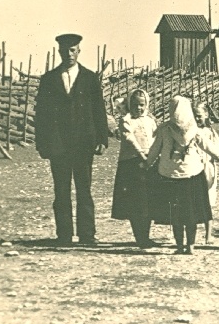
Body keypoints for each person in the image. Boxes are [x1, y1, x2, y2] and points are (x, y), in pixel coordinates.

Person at [35, 34, 109, 246]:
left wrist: (102, 138)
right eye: (65, 50)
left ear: (78, 51)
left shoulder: (90, 78)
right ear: (58, 51)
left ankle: (87, 235)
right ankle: (64, 235)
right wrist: (42, 143)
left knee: (84, 189)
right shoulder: (48, 79)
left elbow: (99, 110)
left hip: (84, 144)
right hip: (58, 145)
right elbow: (41, 114)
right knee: (61, 190)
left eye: (73, 50)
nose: (69, 54)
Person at [145, 96, 219, 255]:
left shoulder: (165, 129)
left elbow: (155, 150)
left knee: (177, 215)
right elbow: (208, 146)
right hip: (192, 175)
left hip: (170, 176)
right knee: (190, 214)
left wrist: (146, 163)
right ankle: (190, 246)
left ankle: (180, 247)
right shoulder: (194, 130)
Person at [111, 89, 158, 249]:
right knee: (136, 202)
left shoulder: (149, 120)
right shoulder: (126, 120)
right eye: (135, 105)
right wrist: (142, 155)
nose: (139, 108)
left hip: (150, 162)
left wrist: (154, 154)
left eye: (142, 105)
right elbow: (130, 138)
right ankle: (140, 236)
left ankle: (146, 235)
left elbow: (154, 137)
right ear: (130, 105)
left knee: (148, 201)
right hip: (132, 164)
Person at [193, 101, 219, 245]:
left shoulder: (210, 132)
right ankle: (191, 235)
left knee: (207, 201)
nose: (197, 118)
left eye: (199, 115)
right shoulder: (190, 131)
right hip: (193, 167)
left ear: (206, 115)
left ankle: (208, 235)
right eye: (194, 116)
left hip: (207, 168)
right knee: (193, 201)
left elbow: (218, 150)